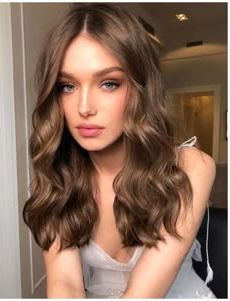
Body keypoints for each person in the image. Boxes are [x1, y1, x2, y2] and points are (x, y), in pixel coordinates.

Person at [23, 3, 216, 299]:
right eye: (68, 86)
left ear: (140, 88)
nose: (84, 108)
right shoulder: (54, 180)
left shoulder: (191, 167)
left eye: (109, 83)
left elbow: (144, 294)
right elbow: (66, 285)